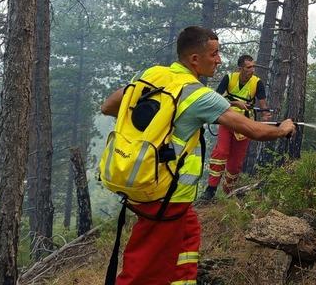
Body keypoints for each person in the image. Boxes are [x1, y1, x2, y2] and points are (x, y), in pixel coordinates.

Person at [100, 26, 295, 285]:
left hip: (146, 179)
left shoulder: (153, 75)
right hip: (165, 193)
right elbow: (252, 130)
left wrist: (157, 125)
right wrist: (282, 130)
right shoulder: (198, 95)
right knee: (144, 268)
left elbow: (109, 106)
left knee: (188, 232)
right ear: (194, 59)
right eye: (214, 54)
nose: (219, 60)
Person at [201, 54, 271, 200]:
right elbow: (216, 98)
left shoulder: (257, 83)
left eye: (253, 67)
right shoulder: (229, 78)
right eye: (249, 67)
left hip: (244, 125)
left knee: (235, 164)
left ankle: (228, 194)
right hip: (227, 120)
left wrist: (265, 116)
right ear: (240, 69)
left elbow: (263, 104)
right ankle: (210, 190)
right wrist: (234, 104)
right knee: (221, 152)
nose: (252, 70)